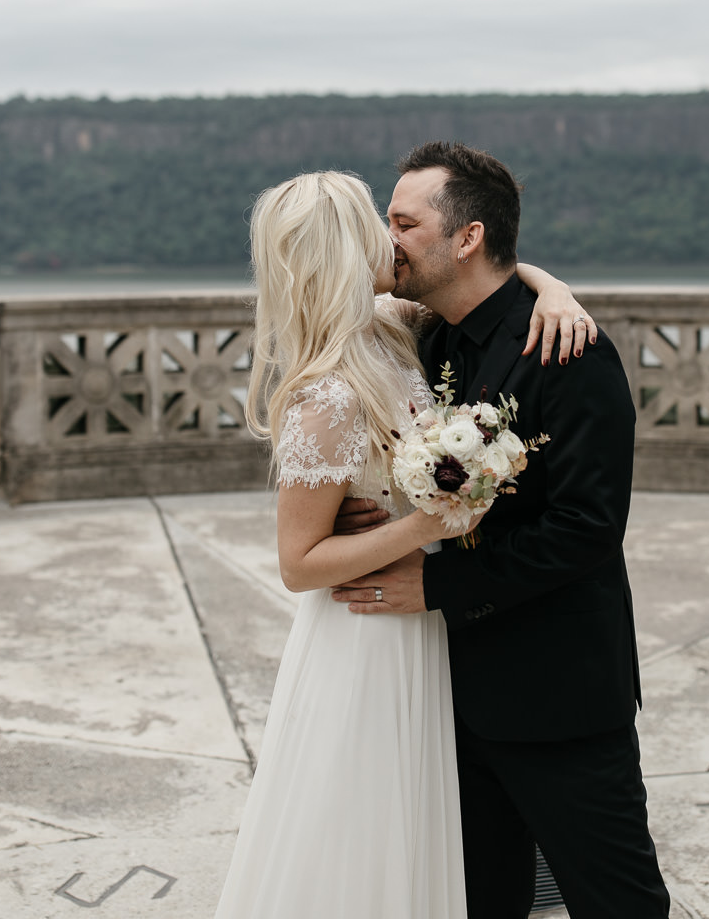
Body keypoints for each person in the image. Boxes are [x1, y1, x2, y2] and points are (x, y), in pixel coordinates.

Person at [212, 169, 597, 919]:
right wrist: (425, 524)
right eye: (377, 222)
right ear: (345, 249)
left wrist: (552, 289)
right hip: (367, 635)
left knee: (426, 835)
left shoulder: (392, 328)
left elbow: (484, 274)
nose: (392, 237)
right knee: (362, 833)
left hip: (427, 624)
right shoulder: (326, 395)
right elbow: (298, 564)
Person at [332, 142, 670, 919]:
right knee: (480, 902)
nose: (388, 240)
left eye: (404, 223)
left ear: (469, 237)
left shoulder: (569, 350)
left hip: (557, 693)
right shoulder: (427, 337)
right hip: (446, 690)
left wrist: (437, 583)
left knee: (618, 902)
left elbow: (588, 528)